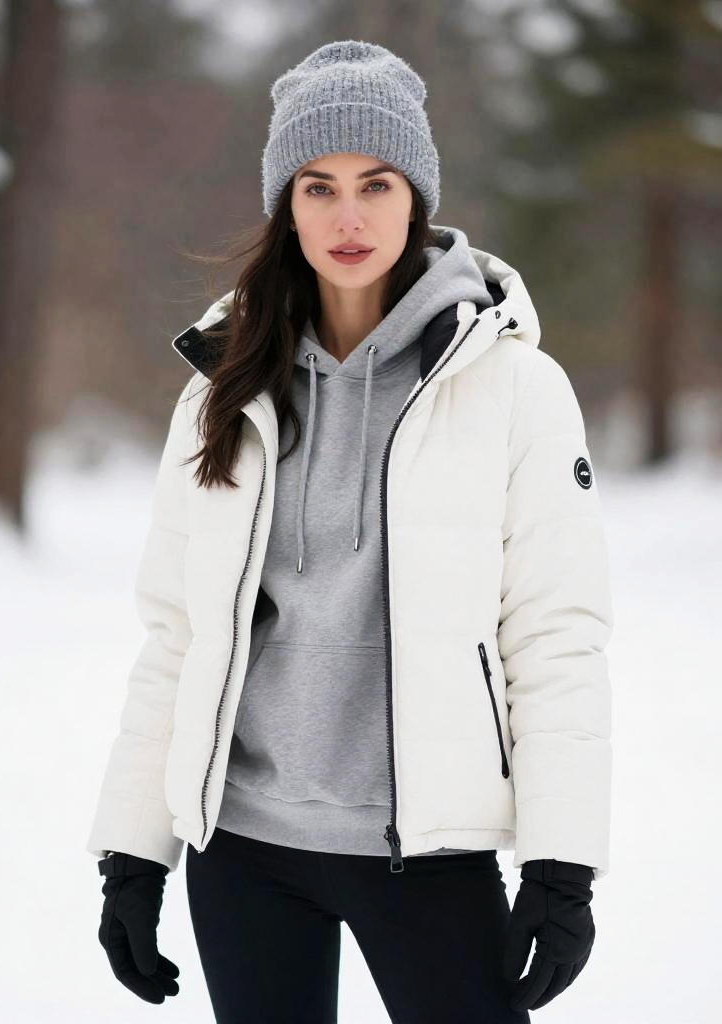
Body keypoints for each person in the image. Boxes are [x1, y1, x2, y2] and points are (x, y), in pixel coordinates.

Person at [86, 39, 614, 1024]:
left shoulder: (513, 387)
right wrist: (132, 851)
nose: (348, 216)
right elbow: (177, 636)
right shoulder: (223, 387)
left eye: (376, 183)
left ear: (416, 197)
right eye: (318, 187)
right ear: (285, 206)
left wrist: (562, 862)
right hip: (242, 851)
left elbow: (554, 635)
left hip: (426, 855)